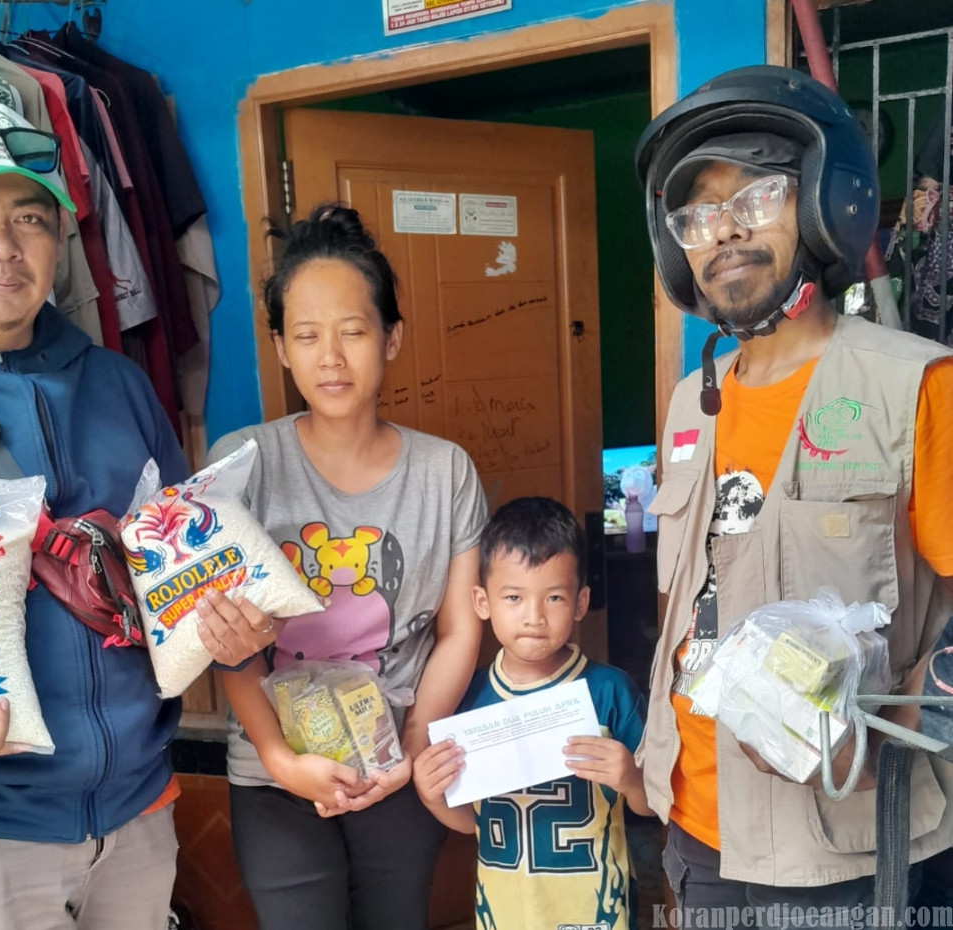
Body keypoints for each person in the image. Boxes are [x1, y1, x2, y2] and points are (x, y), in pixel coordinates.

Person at [0, 102, 272, 930]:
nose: (2, 244)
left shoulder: (119, 385)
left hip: (137, 812)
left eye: (30, 218)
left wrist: (222, 620)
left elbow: (171, 559)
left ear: (61, 242)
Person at [634, 65, 953, 918]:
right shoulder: (687, 403)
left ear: (824, 201)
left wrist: (888, 716)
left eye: (755, 197)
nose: (723, 233)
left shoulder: (912, 388)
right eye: (696, 216)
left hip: (845, 848)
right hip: (694, 829)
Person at [205, 203, 488, 930]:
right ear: (280, 347)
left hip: (399, 759)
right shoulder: (241, 466)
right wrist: (277, 756)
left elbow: (460, 628)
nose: (330, 356)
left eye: (354, 331)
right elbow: (226, 635)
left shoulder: (444, 472)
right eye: (307, 335)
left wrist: (419, 739)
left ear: (391, 338)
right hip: (273, 772)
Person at [412, 496, 649, 930]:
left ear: (580, 603)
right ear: (482, 603)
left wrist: (633, 778)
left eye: (554, 597)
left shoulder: (609, 691)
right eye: (514, 597)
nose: (534, 617)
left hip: (596, 911)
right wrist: (431, 795)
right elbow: (472, 824)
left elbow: (655, 804)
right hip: (506, 912)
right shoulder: (468, 698)